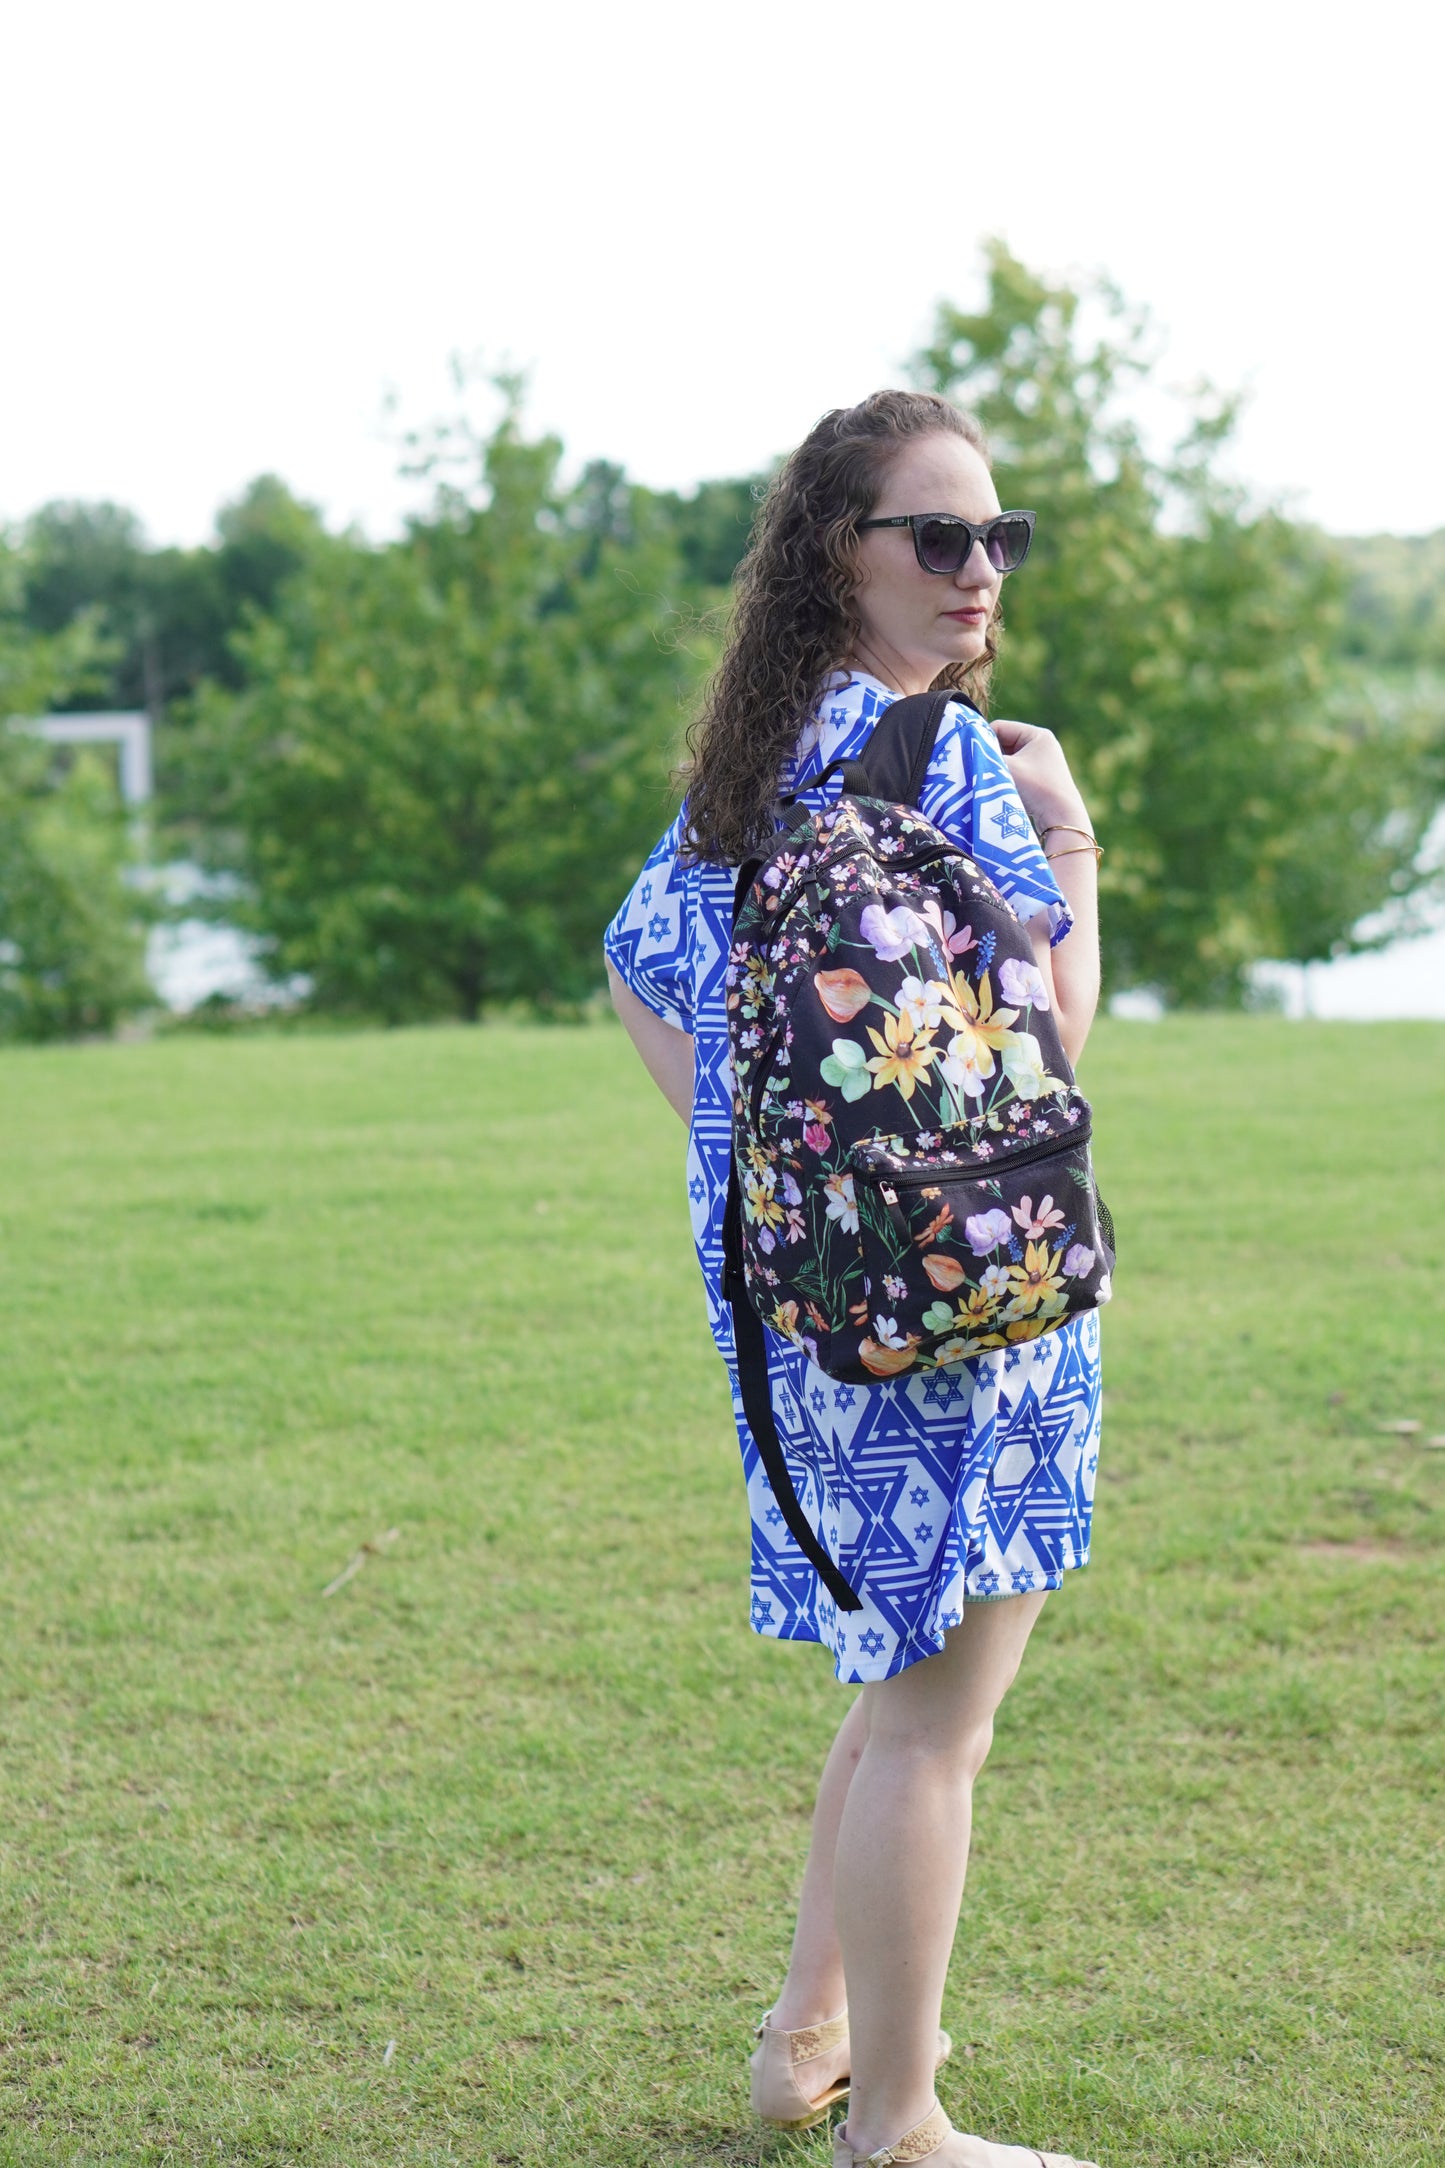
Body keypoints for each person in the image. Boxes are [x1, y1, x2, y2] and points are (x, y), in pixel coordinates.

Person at [604, 390, 1103, 2168]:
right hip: (968, 1294)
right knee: (935, 1725)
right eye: (938, 537)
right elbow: (1051, 1042)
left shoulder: (756, 762)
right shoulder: (953, 762)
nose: (979, 572)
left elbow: (639, 968)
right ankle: (897, 2125)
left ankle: (806, 2042)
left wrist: (755, 1177)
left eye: (997, 538)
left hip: (814, 1306)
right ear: (844, 555)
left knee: (897, 1685)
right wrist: (1066, 839)